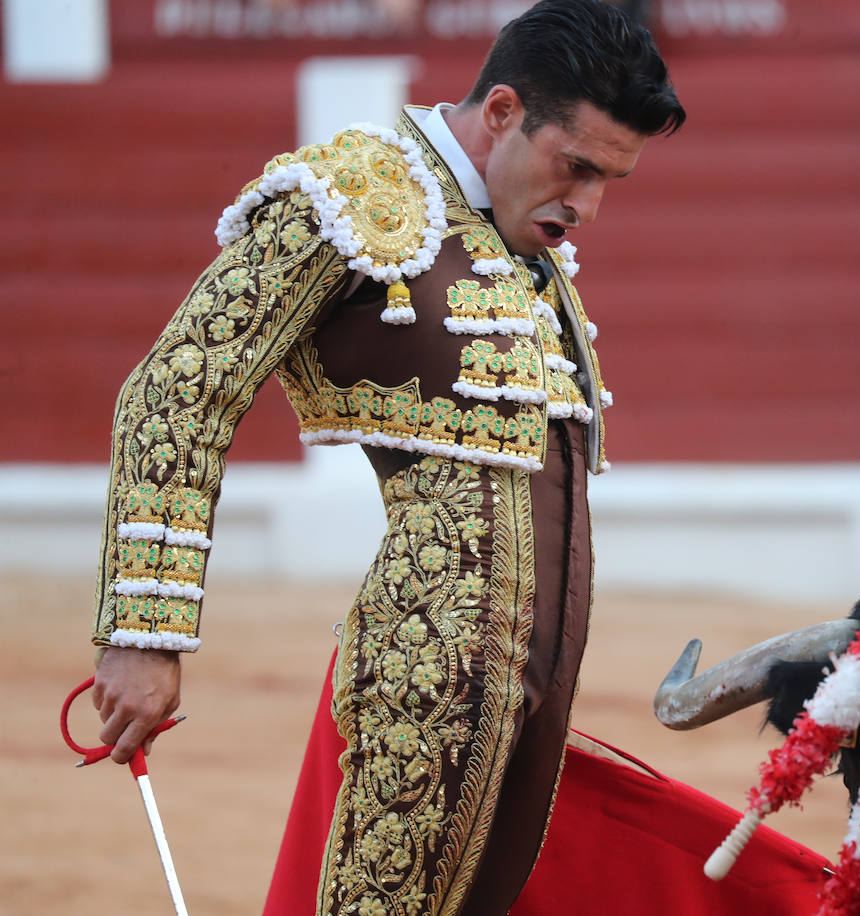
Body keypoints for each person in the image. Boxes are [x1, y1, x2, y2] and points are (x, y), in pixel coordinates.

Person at [87, 2, 684, 913]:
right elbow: (178, 390)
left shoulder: (515, 237)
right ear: (502, 113)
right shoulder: (351, 197)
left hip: (539, 680)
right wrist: (143, 634)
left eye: (610, 180)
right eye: (578, 168)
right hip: (426, 677)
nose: (589, 206)